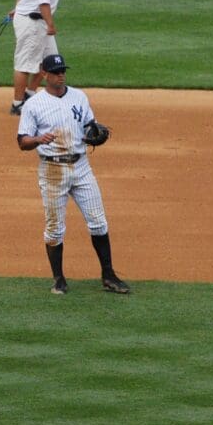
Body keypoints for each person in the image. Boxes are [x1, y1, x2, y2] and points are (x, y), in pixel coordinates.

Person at [16, 54, 130, 295]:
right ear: (44, 75)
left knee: (98, 222)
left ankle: (108, 276)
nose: (61, 75)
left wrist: (97, 132)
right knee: (55, 229)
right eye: (56, 72)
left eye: (63, 71)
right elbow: (22, 142)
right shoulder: (34, 105)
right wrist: (38, 139)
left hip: (81, 167)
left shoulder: (79, 96)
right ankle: (58, 279)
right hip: (52, 170)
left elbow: (91, 124)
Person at [8, 0, 75, 116]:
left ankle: (30, 95)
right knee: (25, 64)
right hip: (33, 21)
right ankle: (17, 104)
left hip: (36, 19)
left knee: (51, 61)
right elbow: (43, 1)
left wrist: (18, 6)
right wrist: (50, 24)